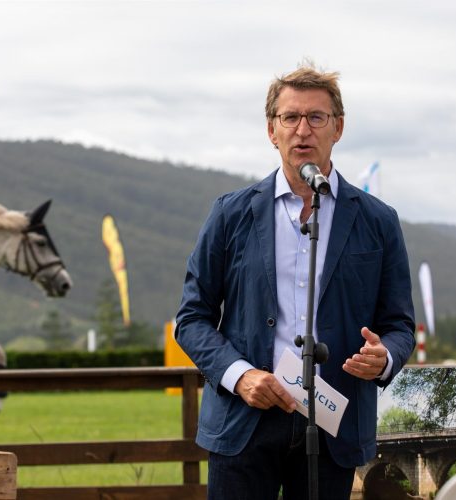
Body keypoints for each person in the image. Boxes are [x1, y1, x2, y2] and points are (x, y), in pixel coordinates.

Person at [175, 64, 415, 500]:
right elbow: (191, 319)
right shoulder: (230, 214)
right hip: (243, 420)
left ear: (337, 127)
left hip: (331, 428)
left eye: (316, 117)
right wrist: (240, 375)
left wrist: (383, 359)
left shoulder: (379, 221)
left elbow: (399, 325)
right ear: (272, 129)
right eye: (290, 117)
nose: (302, 129)